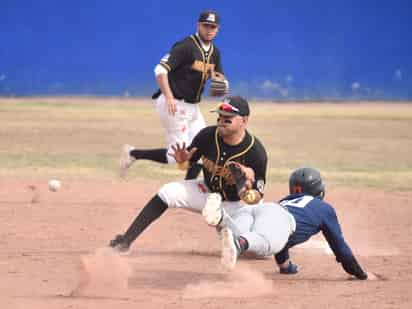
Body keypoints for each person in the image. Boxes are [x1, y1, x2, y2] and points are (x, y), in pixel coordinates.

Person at [109, 96, 267, 253]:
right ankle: (125, 242)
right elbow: (187, 165)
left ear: (244, 121)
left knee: (251, 250)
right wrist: (182, 161)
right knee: (167, 192)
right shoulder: (207, 136)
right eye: (220, 116)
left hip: (237, 205)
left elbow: (258, 194)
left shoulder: (255, 152)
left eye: (228, 118)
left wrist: (245, 193)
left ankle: (233, 232)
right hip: (207, 192)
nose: (221, 121)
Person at [203, 167, 370, 280]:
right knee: (265, 243)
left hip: (260, 208)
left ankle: (222, 218)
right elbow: (340, 247)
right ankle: (240, 244)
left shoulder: (287, 200)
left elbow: (282, 240)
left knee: (239, 232)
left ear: (296, 190)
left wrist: (286, 266)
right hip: (280, 218)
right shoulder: (324, 208)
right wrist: (359, 273)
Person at [120, 10, 228, 180]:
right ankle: (133, 154)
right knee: (176, 156)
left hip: (193, 107)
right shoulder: (186, 46)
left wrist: (222, 84)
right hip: (174, 104)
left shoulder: (215, 52)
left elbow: (219, 76)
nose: (209, 30)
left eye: (212, 27)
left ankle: (187, 189)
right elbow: (160, 70)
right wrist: (169, 97)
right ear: (198, 25)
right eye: (205, 25)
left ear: (217, 29)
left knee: (202, 149)